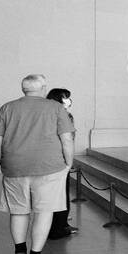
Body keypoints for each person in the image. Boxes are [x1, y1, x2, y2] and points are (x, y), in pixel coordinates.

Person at [0, 74, 75, 254]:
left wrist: (4, 162)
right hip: (49, 167)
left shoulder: (7, 108)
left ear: (24, 89)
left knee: (19, 212)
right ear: (43, 88)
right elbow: (67, 140)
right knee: (43, 212)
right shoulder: (55, 108)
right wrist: (68, 164)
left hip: (14, 167)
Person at [45, 88, 78, 240]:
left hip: (46, 159)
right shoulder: (64, 115)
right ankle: (60, 227)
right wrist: (69, 163)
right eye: (66, 98)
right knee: (61, 195)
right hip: (60, 160)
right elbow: (67, 140)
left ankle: (55, 224)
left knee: (50, 197)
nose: (68, 101)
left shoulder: (45, 114)